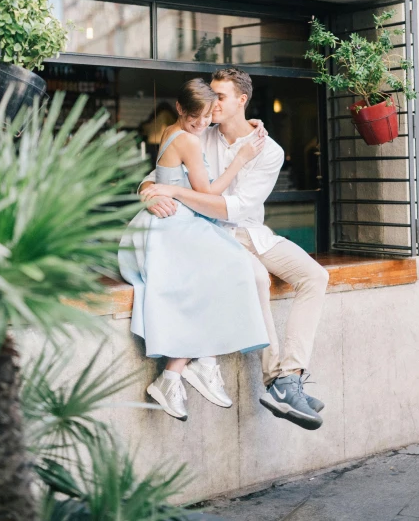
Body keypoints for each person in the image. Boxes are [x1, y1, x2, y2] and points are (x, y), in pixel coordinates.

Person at [142, 67, 329, 431]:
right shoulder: (199, 132)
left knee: (315, 275)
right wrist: (148, 195)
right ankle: (280, 382)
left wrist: (179, 193)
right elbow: (155, 177)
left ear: (242, 101)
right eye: (210, 95)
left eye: (221, 96)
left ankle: (290, 373)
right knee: (256, 277)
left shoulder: (268, 150)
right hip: (212, 237)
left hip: (249, 232)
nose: (212, 103)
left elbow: (235, 207)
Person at [118, 78, 269, 421]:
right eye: (194, 117)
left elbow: (160, 179)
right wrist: (241, 160)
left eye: (206, 117)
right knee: (229, 266)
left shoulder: (175, 131)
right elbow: (209, 193)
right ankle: (197, 365)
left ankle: (182, 371)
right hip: (176, 226)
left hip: (175, 223)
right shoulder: (186, 139)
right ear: (180, 109)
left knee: (221, 271)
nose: (201, 124)